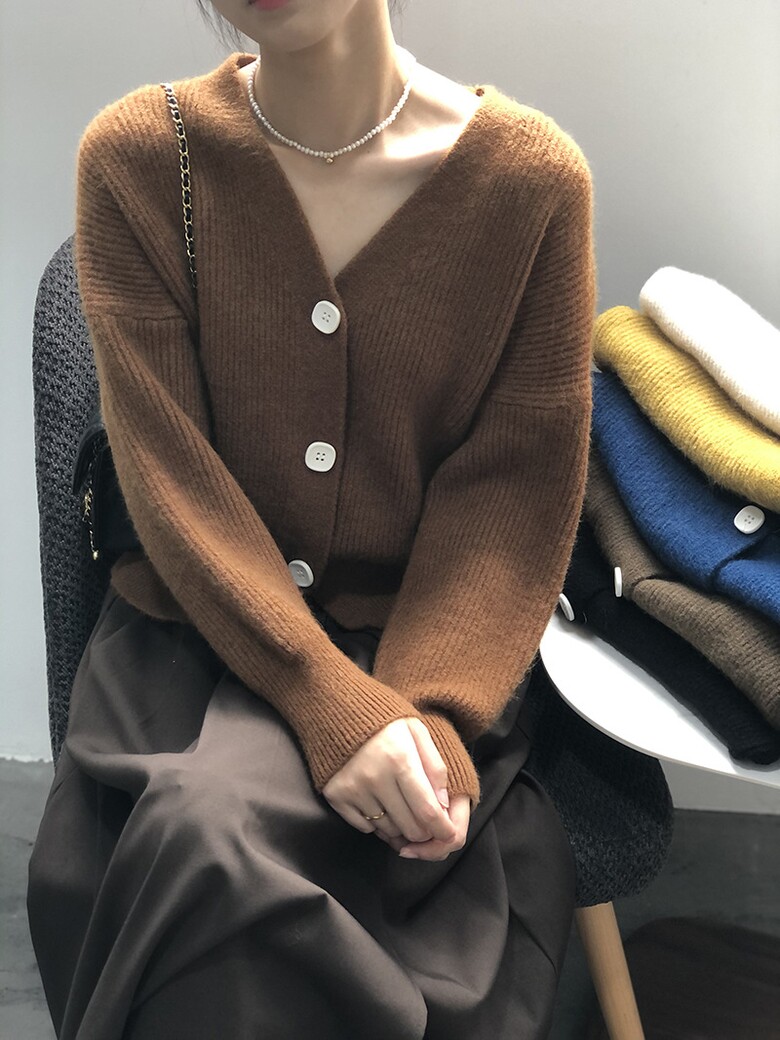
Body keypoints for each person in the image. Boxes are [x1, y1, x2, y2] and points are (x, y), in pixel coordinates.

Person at [27, 0, 597, 1036]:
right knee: (206, 848)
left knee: (370, 883)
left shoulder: (531, 184)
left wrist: (423, 719)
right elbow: (169, 474)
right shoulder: (140, 159)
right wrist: (330, 706)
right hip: (194, 640)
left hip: (431, 649)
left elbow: (511, 493)